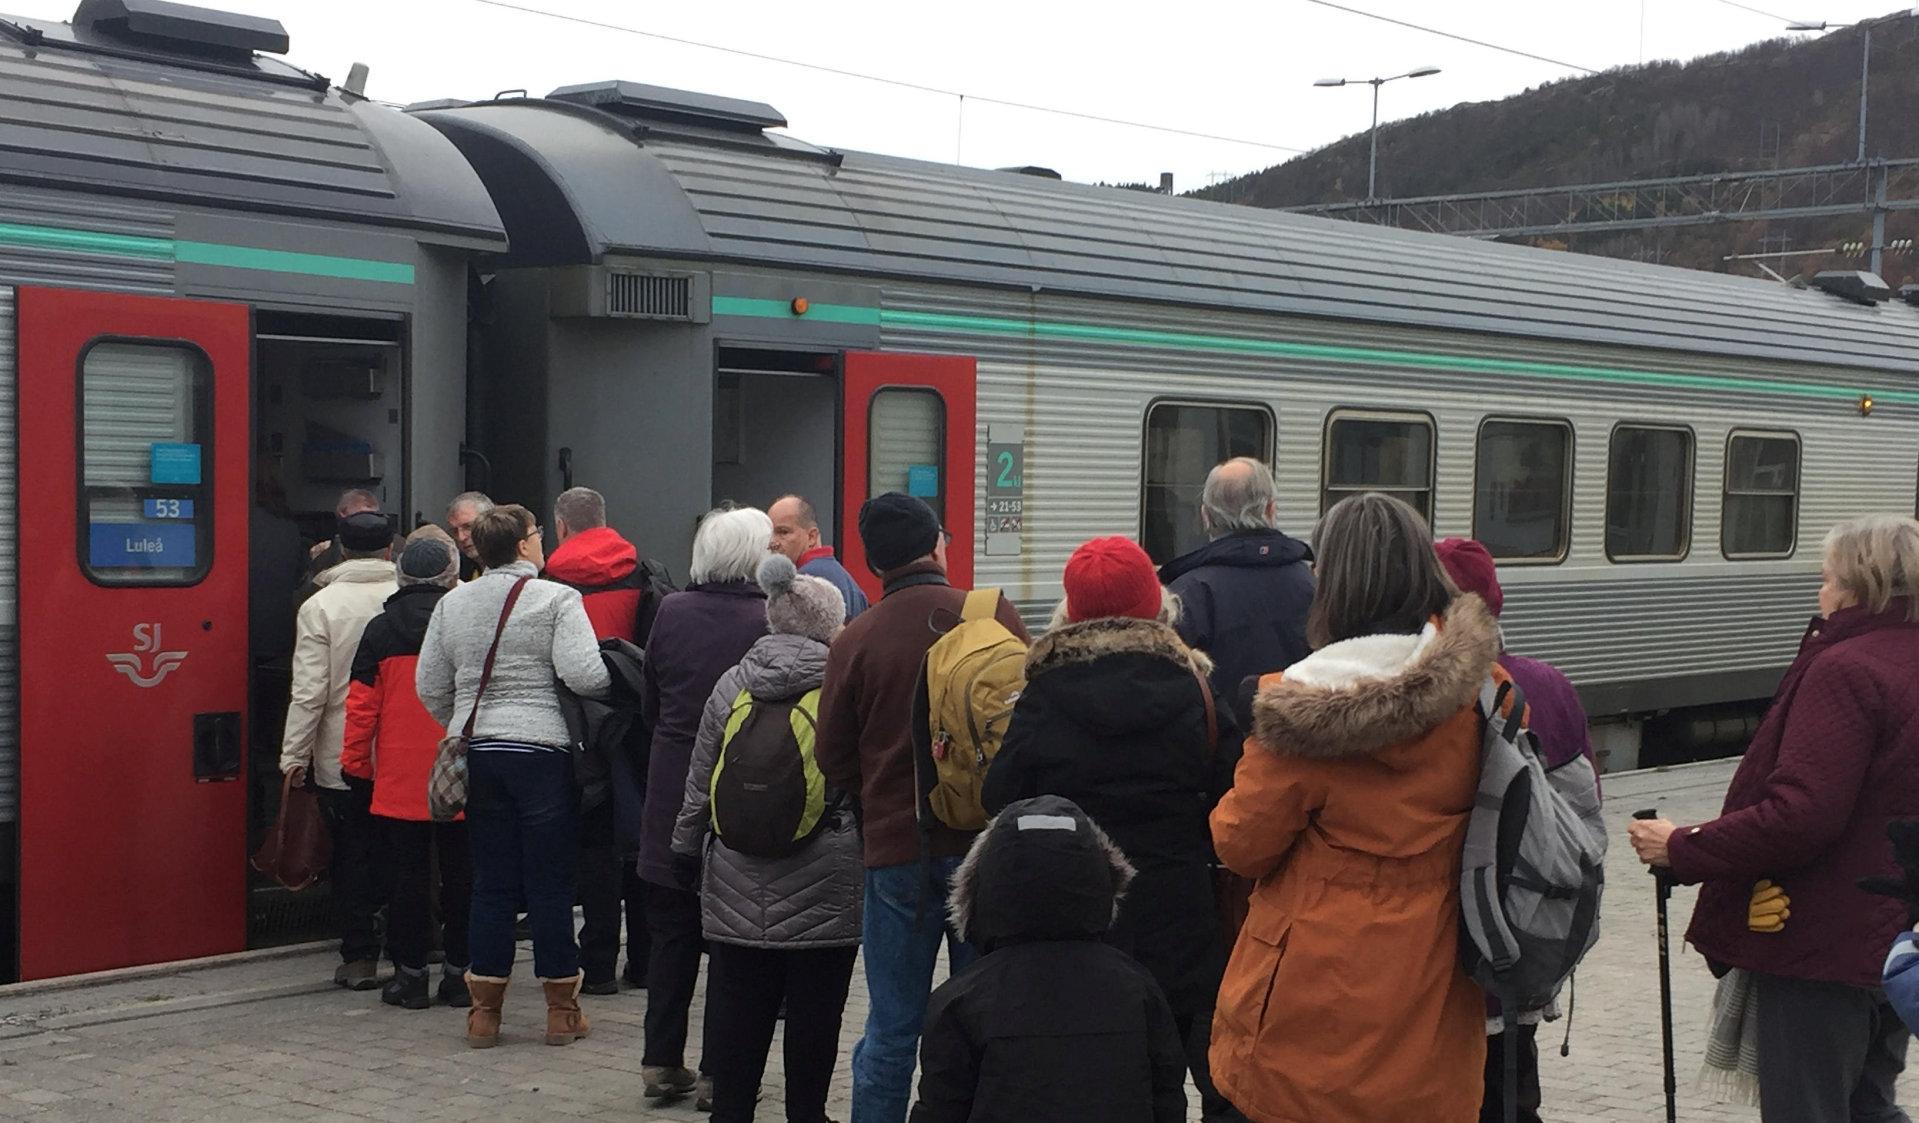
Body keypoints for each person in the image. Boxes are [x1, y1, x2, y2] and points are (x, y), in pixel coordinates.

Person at [1209, 492, 1501, 1123]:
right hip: (1436, 999)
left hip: (1310, 1016)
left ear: (1331, 583)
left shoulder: (1298, 715)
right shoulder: (1482, 696)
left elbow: (1240, 844)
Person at [1629, 514, 1919, 1121]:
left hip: (1821, 938)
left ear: (1855, 587)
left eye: (1826, 578)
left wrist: (1684, 846)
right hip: (1898, 937)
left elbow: (1802, 814)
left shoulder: (1846, 668)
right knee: (1870, 1103)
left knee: (1807, 1108)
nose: (1820, 592)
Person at [981, 535, 1242, 1122]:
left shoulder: (1043, 694)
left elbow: (999, 800)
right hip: (1180, 917)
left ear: (1071, 611)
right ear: (1156, 604)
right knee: (1170, 1066)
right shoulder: (1197, 690)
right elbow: (1233, 796)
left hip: (1077, 919)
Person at [816, 492, 1031, 1123]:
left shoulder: (854, 639)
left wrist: (882, 791)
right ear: (937, 543)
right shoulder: (990, 617)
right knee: (985, 1017)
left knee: (891, 1026)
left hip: (895, 852)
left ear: (872, 562)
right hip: (983, 852)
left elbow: (832, 757)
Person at [671, 553, 862, 1123]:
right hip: (826, 879)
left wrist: (684, 846)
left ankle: (731, 1111)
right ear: (833, 623)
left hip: (736, 874)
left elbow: (701, 775)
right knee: (817, 1014)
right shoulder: (841, 686)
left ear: (773, 619)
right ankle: (807, 1112)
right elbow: (860, 780)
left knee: (737, 1009)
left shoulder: (733, 682)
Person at [417, 504, 612, 1049]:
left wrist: (461, 718)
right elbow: (585, 674)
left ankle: (485, 1014)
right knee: (550, 881)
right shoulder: (557, 598)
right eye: (537, 535)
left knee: (493, 883)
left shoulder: (452, 603)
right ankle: (560, 1012)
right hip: (542, 754)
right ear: (525, 545)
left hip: (479, 751)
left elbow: (430, 682)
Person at [1434, 537, 1599, 1123]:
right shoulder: (1548, 684)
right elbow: (1584, 812)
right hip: (1522, 935)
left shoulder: (1431, 692)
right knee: (1513, 1090)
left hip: (1444, 946)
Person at [909, 795, 1187, 1123]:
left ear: (981, 889)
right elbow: (1167, 1099)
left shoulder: (959, 1000)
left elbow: (940, 1109)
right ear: (1102, 882)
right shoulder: (1138, 987)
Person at [636, 506, 774, 1103]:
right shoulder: (767, 617)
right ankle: (721, 1071)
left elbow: (651, 700)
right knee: (732, 943)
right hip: (746, 791)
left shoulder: (670, 610)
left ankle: (661, 1060)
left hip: (671, 789)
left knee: (671, 934)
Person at [341, 534, 472, 1011]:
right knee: (463, 879)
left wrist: (356, 766)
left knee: (405, 882)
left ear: (401, 574)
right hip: (461, 773)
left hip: (398, 779)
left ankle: (410, 978)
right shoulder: (467, 624)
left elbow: (361, 707)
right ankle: (460, 976)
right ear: (451, 575)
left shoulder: (380, 630)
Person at [279, 510, 399, 991]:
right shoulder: (415, 597)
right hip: (403, 751)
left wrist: (293, 756)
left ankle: (359, 956)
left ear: (341, 548)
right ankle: (411, 945)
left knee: (351, 854)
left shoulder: (320, 605)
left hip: (342, 754)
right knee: (403, 850)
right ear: (391, 549)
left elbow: (309, 692)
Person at [544, 485, 656, 995]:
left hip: (575, 730)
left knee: (592, 848)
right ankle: (647, 962)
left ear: (562, 526)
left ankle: (599, 966)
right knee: (638, 840)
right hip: (633, 726)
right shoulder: (645, 574)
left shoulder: (548, 582)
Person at [1156, 457, 1314, 699]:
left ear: (1205, 516)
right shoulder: (1313, 584)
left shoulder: (1186, 594)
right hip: (1296, 734)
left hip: (1220, 736)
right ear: (1271, 510)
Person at [770, 493, 868, 619]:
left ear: (811, 537)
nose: (773, 542)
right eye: (770, 533)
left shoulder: (804, 582)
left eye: (783, 532)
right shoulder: (848, 582)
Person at [446, 491, 495, 581]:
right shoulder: (455, 570)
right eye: (454, 531)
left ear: (491, 522)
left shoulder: (516, 565)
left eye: (468, 527)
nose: (461, 537)